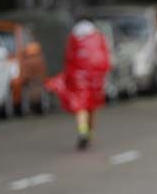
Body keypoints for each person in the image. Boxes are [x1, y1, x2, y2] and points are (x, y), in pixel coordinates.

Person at [45, 19, 110, 150]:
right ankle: (89, 134)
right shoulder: (98, 38)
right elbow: (105, 59)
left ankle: (83, 132)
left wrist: (69, 77)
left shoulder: (74, 38)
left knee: (81, 106)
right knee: (92, 108)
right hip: (95, 80)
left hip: (78, 79)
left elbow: (69, 58)